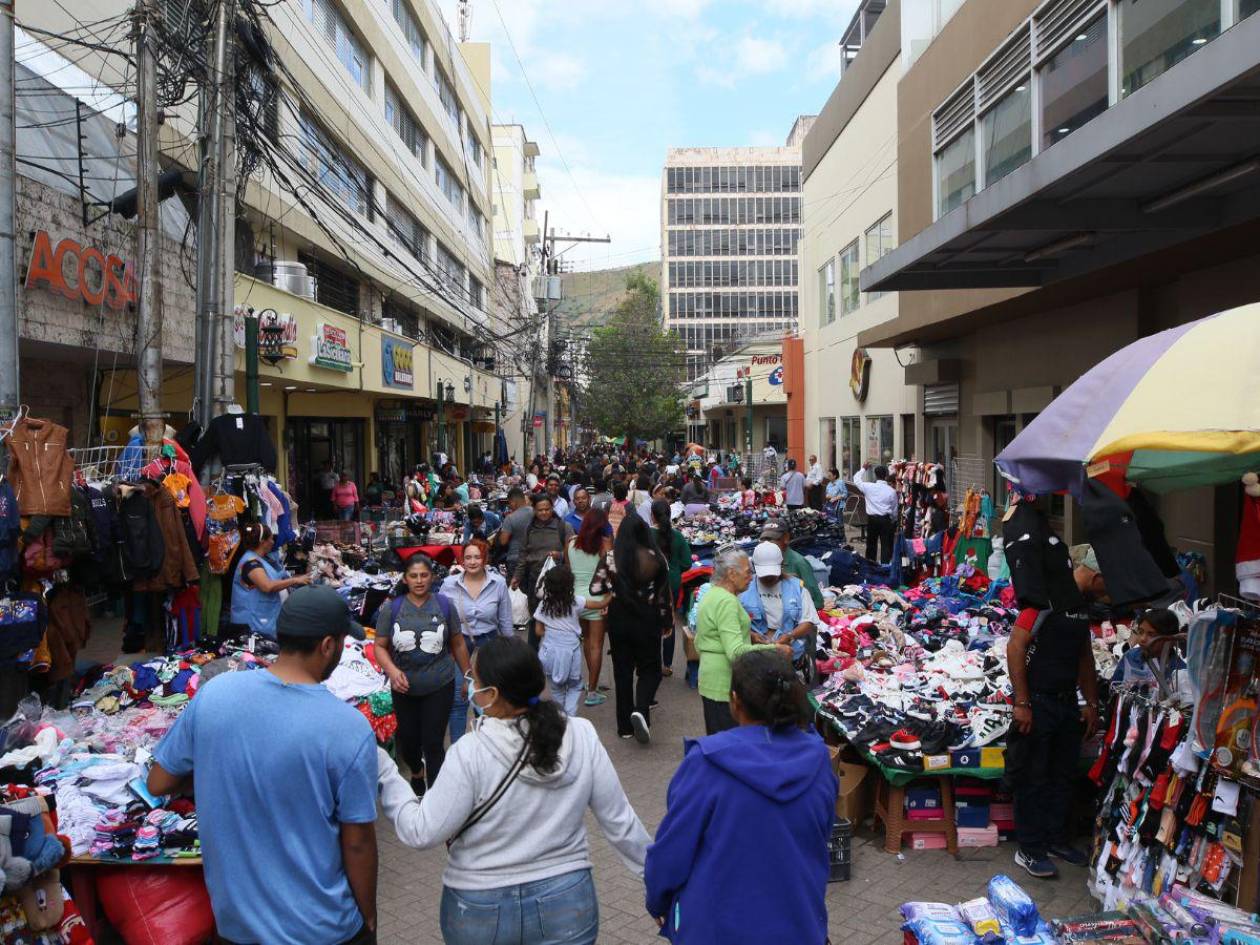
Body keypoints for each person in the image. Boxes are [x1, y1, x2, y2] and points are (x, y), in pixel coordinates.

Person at [376, 637, 650, 945]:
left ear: (491, 695)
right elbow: (620, 822)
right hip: (567, 901)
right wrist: (657, 882)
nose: (470, 687)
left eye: (474, 680)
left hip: (479, 907)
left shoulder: (469, 752)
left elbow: (421, 831)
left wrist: (384, 769)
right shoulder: (581, 735)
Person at [147, 586, 378, 945]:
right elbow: (358, 843)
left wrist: (219, 771)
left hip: (238, 929)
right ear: (328, 646)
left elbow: (158, 782)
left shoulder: (215, 694)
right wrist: (370, 916)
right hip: (323, 929)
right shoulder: (349, 728)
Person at [645, 650, 836, 945]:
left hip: (715, 928)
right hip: (798, 923)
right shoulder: (818, 760)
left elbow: (672, 849)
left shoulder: (707, 761)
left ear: (735, 700)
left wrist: (658, 899)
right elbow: (819, 835)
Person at [1005, 543, 1103, 880]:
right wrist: (1022, 703)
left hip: (1065, 702)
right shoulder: (1043, 597)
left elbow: (1084, 656)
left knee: (1063, 775)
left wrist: (1091, 703)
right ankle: (1029, 848)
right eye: (1107, 584)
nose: (1109, 593)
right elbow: (1015, 646)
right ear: (1096, 576)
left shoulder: (1083, 606)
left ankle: (1056, 839)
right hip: (1037, 701)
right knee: (1033, 777)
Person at [375, 556, 471, 796]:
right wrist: (393, 670)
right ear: (406, 579)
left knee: (433, 742)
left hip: (440, 684)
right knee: (409, 743)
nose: (419, 581)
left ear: (432, 577)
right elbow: (379, 646)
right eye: (413, 576)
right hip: (403, 688)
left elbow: (458, 643)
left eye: (424, 575)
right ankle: (417, 771)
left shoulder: (445, 605)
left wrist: (469, 676)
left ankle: (435, 796)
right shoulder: (392, 608)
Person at [591, 513, 674, 744]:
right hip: (647, 618)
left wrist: (615, 586)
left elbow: (595, 588)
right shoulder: (656, 557)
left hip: (618, 619)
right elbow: (662, 596)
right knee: (650, 669)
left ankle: (624, 727)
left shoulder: (611, 557)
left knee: (622, 671)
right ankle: (641, 710)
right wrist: (666, 623)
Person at [693, 547, 790, 735]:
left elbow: (708, 635)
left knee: (719, 741)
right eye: (747, 572)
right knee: (728, 747)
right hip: (723, 684)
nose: (751, 576)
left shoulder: (712, 594)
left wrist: (750, 636)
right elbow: (735, 652)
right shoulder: (726, 602)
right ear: (731, 573)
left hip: (711, 680)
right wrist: (776, 649)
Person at [442, 540, 514, 743]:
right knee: (458, 699)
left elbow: (506, 620)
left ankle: (486, 746)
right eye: (468, 557)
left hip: (488, 645)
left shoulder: (498, 583)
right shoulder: (449, 585)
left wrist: (510, 654)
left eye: (477, 557)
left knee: (486, 700)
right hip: (459, 644)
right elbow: (440, 618)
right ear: (462, 560)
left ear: (485, 559)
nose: (472, 561)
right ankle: (458, 749)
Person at [741, 542, 819, 679]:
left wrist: (791, 636)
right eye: (764, 574)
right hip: (755, 659)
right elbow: (733, 621)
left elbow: (808, 621)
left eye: (772, 573)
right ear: (754, 567)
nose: (769, 578)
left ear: (781, 565)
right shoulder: (744, 589)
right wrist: (751, 635)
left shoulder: (797, 588)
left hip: (791, 657)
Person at [512, 494, 574, 650]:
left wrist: (559, 555)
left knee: (559, 618)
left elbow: (572, 554)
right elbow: (523, 555)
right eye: (540, 510)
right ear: (534, 510)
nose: (544, 513)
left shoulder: (563, 527)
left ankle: (557, 652)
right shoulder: (529, 529)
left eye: (547, 509)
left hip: (558, 582)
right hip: (535, 580)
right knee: (536, 618)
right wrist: (517, 576)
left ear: (552, 508)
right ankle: (533, 656)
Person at [228, 523, 311, 638]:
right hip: (252, 624)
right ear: (263, 541)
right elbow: (267, 586)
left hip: (263, 619)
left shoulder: (261, 559)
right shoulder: (250, 562)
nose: (273, 542)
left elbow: (275, 577)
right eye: (271, 539)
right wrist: (294, 581)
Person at [566, 507, 613, 707]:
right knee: (596, 646)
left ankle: (589, 681)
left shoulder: (570, 543)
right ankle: (592, 691)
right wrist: (611, 599)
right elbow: (612, 573)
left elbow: (568, 571)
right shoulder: (604, 545)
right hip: (598, 600)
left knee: (586, 641)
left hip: (576, 600)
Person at [535, 564, 588, 717]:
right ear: (570, 585)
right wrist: (610, 596)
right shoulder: (576, 602)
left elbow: (538, 631)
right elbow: (598, 604)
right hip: (571, 653)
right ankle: (570, 714)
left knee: (556, 688)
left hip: (550, 653)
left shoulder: (544, 605)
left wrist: (553, 632)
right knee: (575, 685)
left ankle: (561, 717)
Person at [652, 498, 692, 678]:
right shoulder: (677, 536)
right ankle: (666, 665)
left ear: (652, 515)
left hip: (651, 583)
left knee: (651, 621)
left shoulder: (646, 535)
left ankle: (652, 663)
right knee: (669, 620)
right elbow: (687, 563)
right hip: (672, 583)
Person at [760, 522, 824, 610]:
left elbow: (818, 601)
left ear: (786, 538)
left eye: (772, 539)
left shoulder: (798, 563)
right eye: (764, 540)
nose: (767, 544)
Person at [1112, 608, 1184, 686]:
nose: (1143, 639)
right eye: (1140, 632)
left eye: (1152, 634)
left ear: (1170, 640)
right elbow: (1115, 686)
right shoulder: (1130, 656)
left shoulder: (1179, 672)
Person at [854, 464, 898, 564]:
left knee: (871, 545)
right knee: (886, 545)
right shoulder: (891, 491)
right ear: (886, 476)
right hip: (885, 520)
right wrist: (893, 520)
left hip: (872, 519)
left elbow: (856, 479)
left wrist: (863, 469)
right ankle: (884, 567)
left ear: (875, 475)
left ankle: (870, 566)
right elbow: (894, 509)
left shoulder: (868, 487)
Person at [496, 487, 533, 577]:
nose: (509, 506)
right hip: (533, 557)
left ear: (513, 502)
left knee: (515, 589)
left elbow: (503, 541)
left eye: (509, 503)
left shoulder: (510, 518)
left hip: (515, 558)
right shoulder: (535, 512)